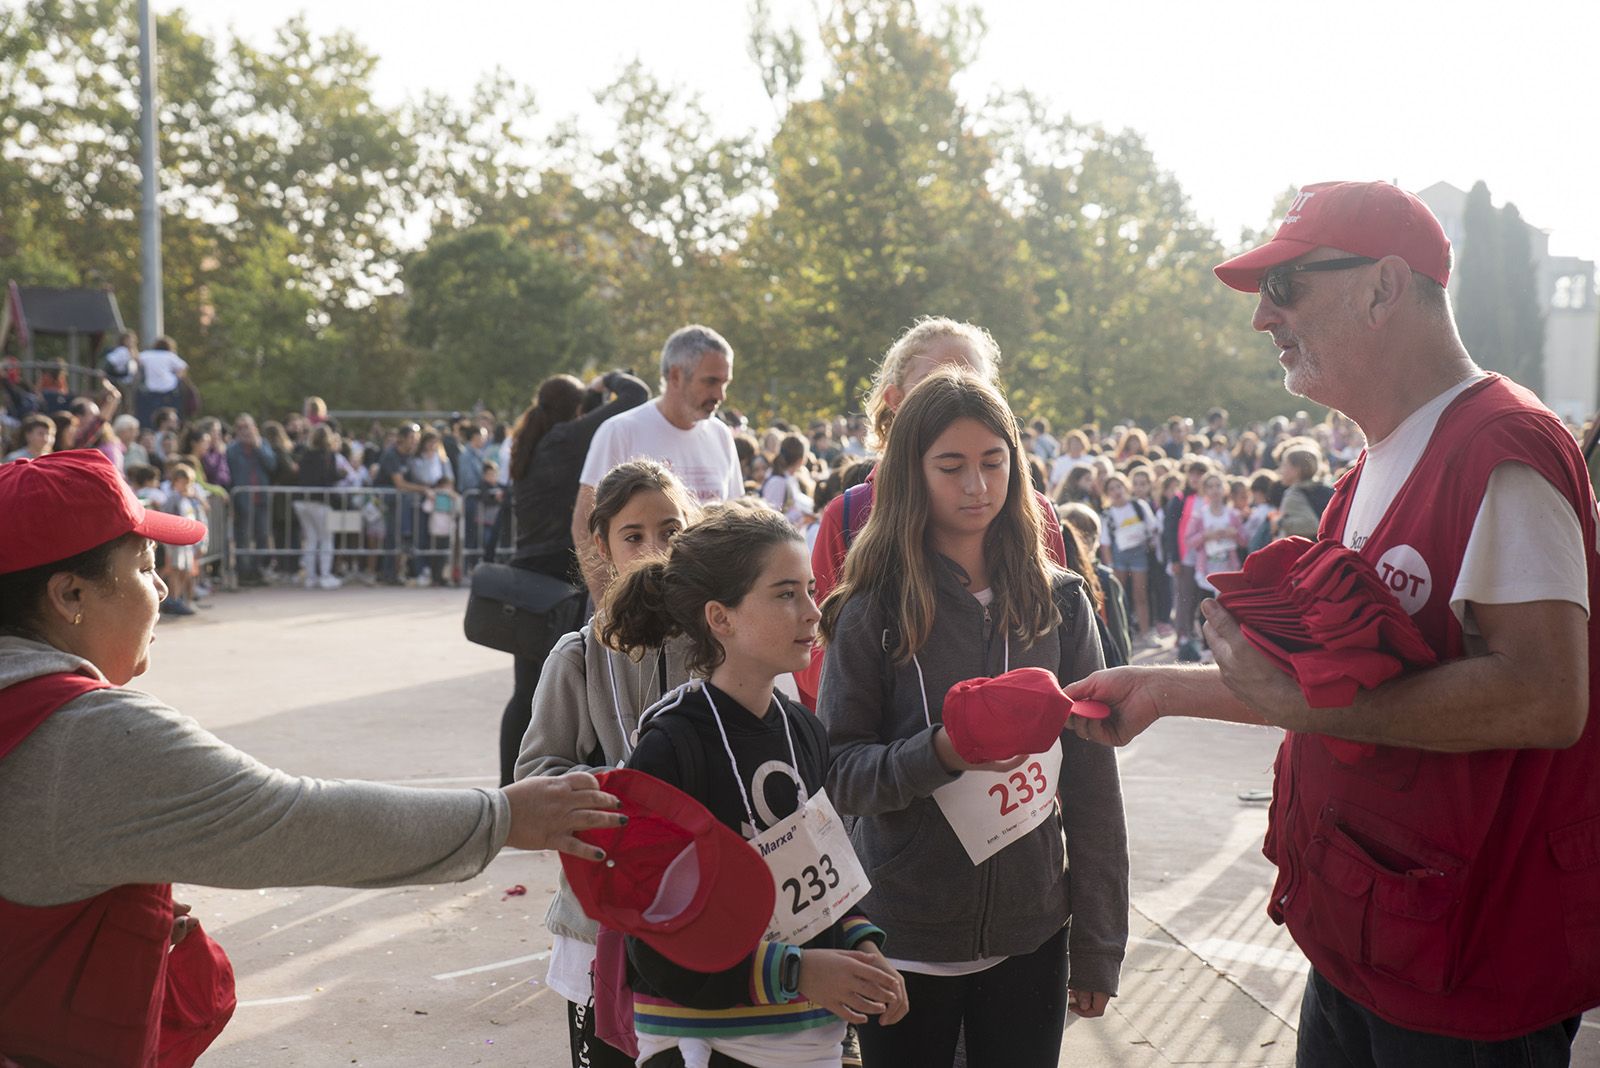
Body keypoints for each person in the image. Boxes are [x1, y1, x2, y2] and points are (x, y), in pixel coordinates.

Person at [1068, 181, 1599, 1065]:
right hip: (1377, 939)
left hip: (1463, 971)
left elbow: (1545, 698)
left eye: (1287, 287)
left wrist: (1314, 710)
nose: (1263, 319)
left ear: (1384, 287)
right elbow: (1323, 686)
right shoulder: (1370, 467)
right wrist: (1159, 687)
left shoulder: (1501, 448)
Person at [0, 450, 625, 1067]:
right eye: (144, 566)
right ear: (70, 593)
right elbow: (296, 821)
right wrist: (504, 817)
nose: (162, 586)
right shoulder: (88, 738)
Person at [817, 369, 1127, 1067]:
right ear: (910, 474)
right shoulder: (870, 611)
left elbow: (1092, 782)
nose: (976, 486)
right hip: (906, 939)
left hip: (1033, 933)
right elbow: (839, 773)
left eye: (993, 462)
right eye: (950, 466)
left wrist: (1100, 942)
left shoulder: (1065, 603)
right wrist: (945, 750)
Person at [601, 499, 908, 1067]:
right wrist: (797, 971)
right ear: (721, 618)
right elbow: (654, 945)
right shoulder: (671, 749)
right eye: (785, 594)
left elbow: (826, 882)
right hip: (706, 1042)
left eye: (811, 590)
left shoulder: (805, 731)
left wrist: (863, 947)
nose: (813, 613)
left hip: (806, 1041)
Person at [514, 460, 699, 1068]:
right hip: (601, 920)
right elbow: (535, 775)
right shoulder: (578, 657)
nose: (654, 550)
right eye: (634, 535)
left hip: (706, 906)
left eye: (670, 531)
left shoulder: (722, 642)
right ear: (601, 545)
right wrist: (616, 793)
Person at [800, 317, 1070, 707]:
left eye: (976, 386)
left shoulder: (1033, 514)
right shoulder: (850, 514)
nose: (956, 398)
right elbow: (812, 652)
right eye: (935, 384)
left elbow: (1057, 642)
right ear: (895, 401)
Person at [498, 370, 650, 786]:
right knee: (569, 690)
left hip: (526, 575)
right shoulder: (568, 438)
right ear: (578, 408)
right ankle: (550, 784)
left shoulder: (530, 445)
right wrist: (606, 381)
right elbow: (637, 394)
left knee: (525, 689)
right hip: (560, 580)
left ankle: (510, 788)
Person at [572, 328, 741, 607]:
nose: (720, 394)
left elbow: (732, 521)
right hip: (632, 608)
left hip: (700, 610)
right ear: (675, 375)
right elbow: (584, 523)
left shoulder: (721, 436)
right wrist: (608, 604)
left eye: (725, 382)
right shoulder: (620, 431)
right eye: (711, 381)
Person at [1099, 473, 1158, 641]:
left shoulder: (1138, 505)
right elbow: (1105, 543)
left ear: (1125, 487)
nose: (1116, 491)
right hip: (1119, 557)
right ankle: (1123, 635)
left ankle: (1146, 633)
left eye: (1119, 486)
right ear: (1107, 493)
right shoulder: (1107, 514)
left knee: (1140, 595)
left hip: (1139, 553)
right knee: (1119, 596)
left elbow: (1153, 527)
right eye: (1112, 489)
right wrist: (1110, 564)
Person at [760, 432, 816, 529]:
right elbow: (770, 519)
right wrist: (801, 517)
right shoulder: (778, 481)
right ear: (801, 459)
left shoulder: (789, 478)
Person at [133, 336, 187, 428]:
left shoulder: (147, 355)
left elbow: (136, 359)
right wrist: (175, 378)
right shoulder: (170, 356)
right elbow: (183, 367)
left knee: (150, 415)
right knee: (170, 414)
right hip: (169, 389)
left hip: (151, 390)